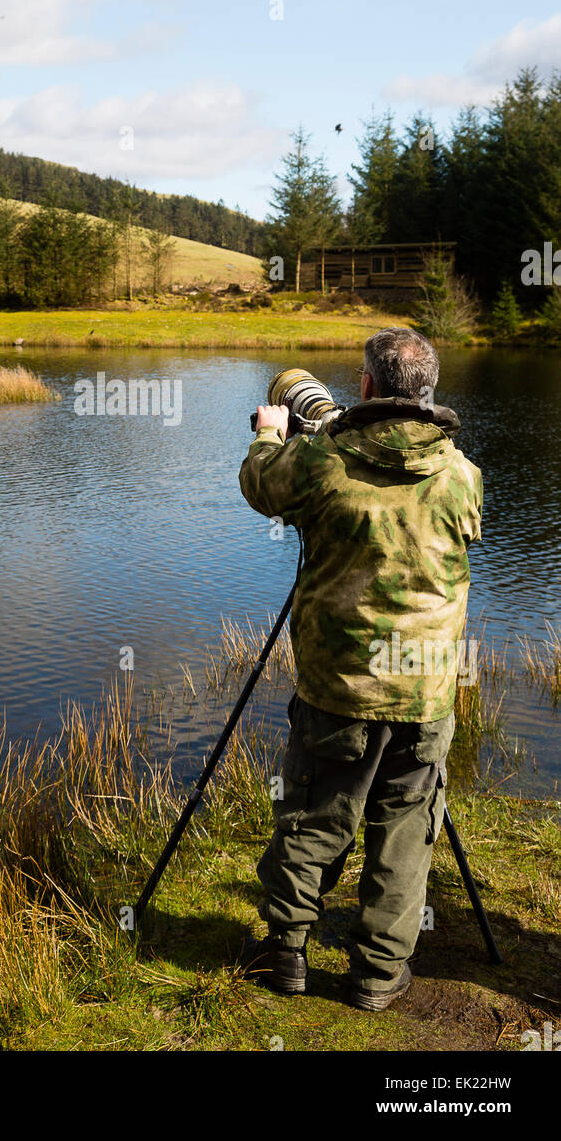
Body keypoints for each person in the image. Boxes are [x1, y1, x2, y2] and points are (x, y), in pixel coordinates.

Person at [237, 326, 482, 1011]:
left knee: (314, 815)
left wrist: (270, 431)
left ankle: (286, 953)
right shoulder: (464, 475)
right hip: (427, 692)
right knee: (406, 835)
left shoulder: (321, 461)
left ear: (367, 388)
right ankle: (376, 978)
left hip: (339, 689)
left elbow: (260, 486)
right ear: (428, 392)